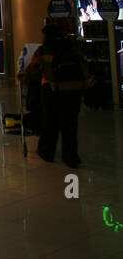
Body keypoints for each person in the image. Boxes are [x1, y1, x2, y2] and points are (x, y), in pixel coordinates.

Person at [38, 25, 88, 168]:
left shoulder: (45, 49)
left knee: (51, 122)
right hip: (73, 90)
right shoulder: (71, 47)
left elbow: (36, 68)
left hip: (51, 90)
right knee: (70, 124)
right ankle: (71, 157)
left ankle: (48, 153)